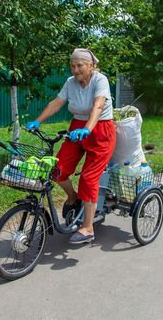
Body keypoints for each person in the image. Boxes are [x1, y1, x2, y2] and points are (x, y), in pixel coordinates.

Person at [26, 48, 116, 244]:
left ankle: (88, 227)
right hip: (77, 127)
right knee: (57, 169)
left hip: (100, 129)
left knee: (89, 177)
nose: (75, 70)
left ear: (91, 66)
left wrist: (88, 128)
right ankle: (73, 196)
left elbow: (98, 106)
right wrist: (38, 121)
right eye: (72, 66)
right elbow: (57, 103)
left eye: (79, 65)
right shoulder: (70, 82)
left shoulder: (100, 80)